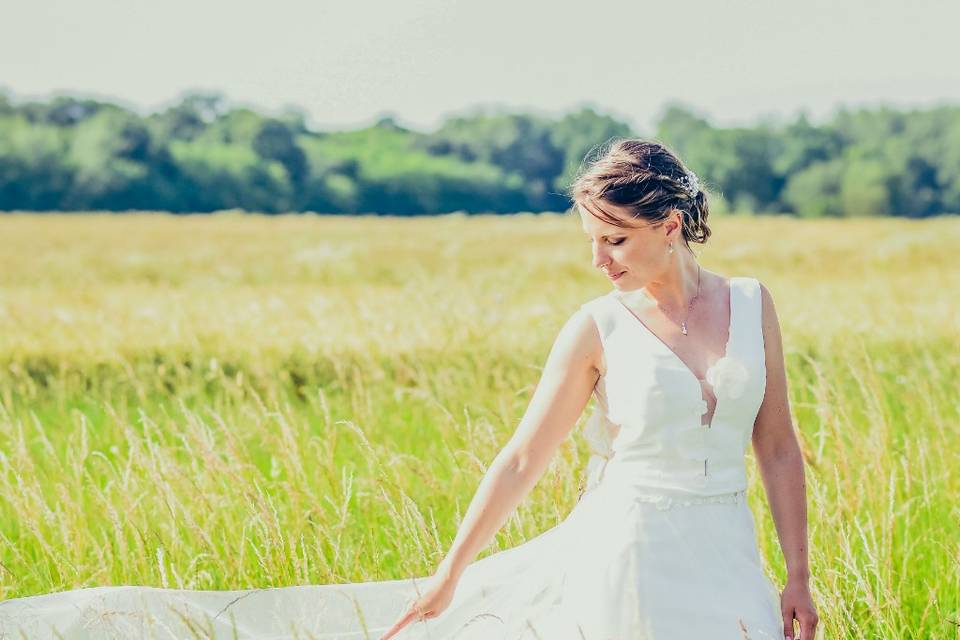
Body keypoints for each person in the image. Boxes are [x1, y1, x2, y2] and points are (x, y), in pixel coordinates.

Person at [0, 139, 819, 640]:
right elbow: (523, 457)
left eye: (615, 240)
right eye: (588, 239)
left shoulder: (751, 304)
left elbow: (777, 448)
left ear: (670, 226)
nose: (597, 260)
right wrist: (451, 572)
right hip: (629, 556)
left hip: (730, 557)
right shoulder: (595, 328)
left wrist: (798, 576)